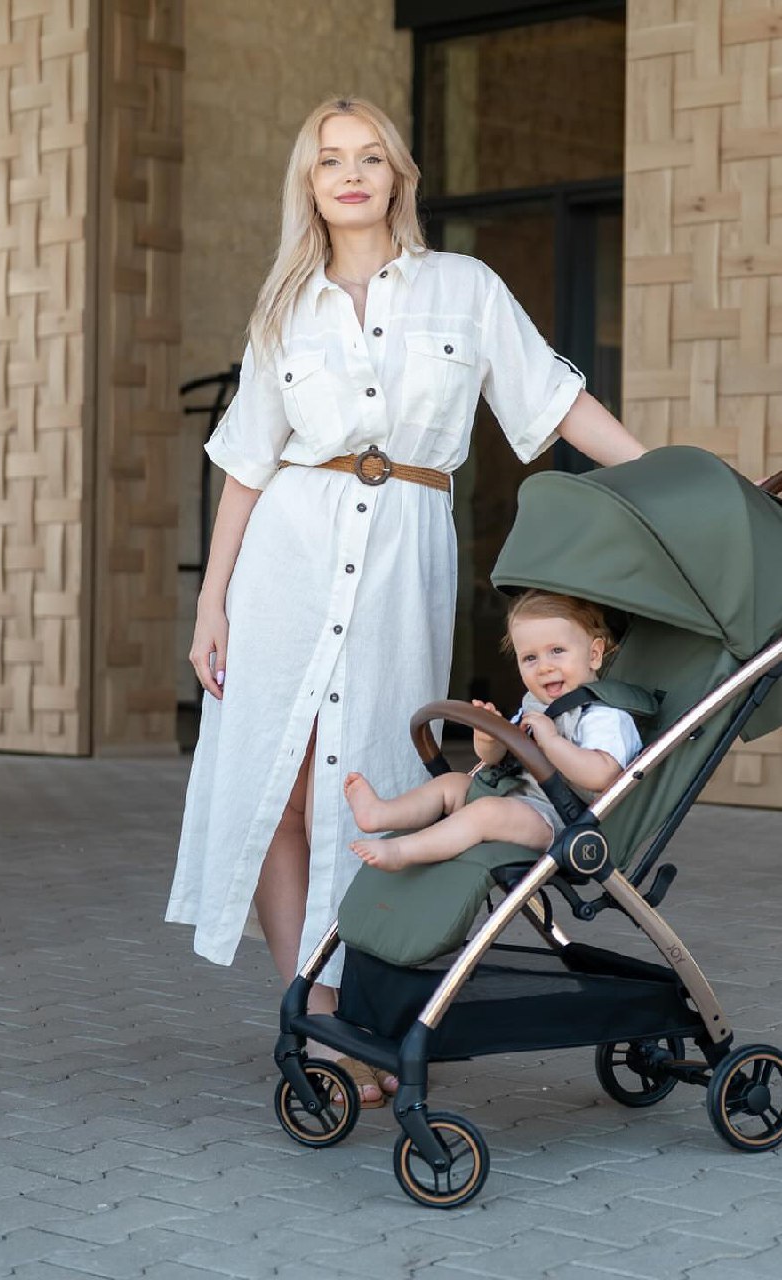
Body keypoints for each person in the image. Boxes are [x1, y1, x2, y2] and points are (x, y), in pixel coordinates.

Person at [165, 97, 644, 1108]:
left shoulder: (462, 288)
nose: (350, 174)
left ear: (398, 176)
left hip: (401, 560)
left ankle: (365, 1000)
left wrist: (660, 476)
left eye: (369, 157)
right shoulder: (282, 311)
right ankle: (315, 1008)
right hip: (286, 560)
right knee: (278, 785)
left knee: (369, 774)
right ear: (309, 184)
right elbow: (246, 468)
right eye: (329, 160)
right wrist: (212, 603)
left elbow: (554, 400)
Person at [344, 591, 642, 870]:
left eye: (557, 651)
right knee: (451, 783)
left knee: (487, 813)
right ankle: (382, 813)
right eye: (530, 658)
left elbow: (602, 775)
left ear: (594, 654)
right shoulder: (535, 706)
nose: (544, 667)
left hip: (561, 819)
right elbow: (496, 758)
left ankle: (403, 852)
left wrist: (551, 741)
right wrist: (489, 737)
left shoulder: (603, 716)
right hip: (515, 795)